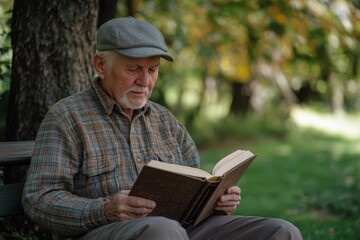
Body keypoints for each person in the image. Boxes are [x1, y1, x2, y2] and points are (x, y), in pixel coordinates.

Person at [22, 17, 302, 240]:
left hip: (182, 230)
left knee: (281, 231)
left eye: (153, 69)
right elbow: (39, 200)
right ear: (100, 65)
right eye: (134, 69)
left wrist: (218, 200)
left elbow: (198, 186)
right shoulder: (67, 117)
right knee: (162, 231)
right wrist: (105, 209)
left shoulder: (166, 122)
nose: (145, 81)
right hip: (107, 231)